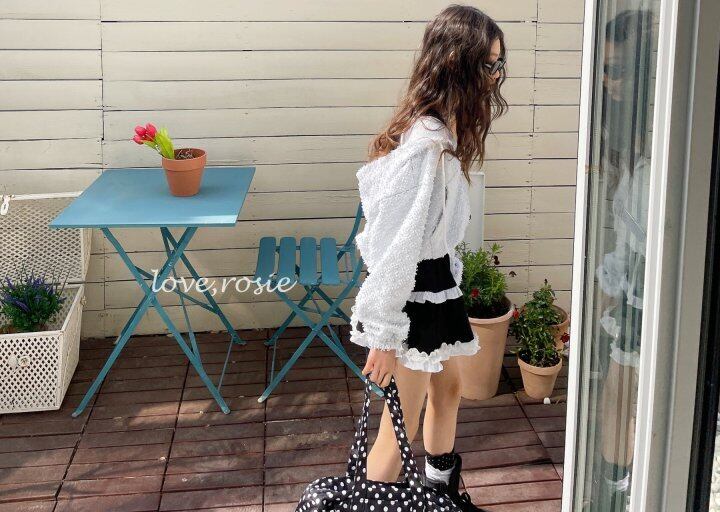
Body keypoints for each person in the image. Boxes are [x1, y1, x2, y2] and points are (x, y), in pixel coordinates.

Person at [348, 5, 508, 511]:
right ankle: (372, 503)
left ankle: (441, 492)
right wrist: (384, 334)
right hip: (413, 296)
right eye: (487, 64)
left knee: (449, 389)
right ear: (457, 65)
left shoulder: (444, 132)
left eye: (499, 64)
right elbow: (395, 247)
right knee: (399, 426)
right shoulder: (428, 145)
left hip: (437, 288)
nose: (495, 75)